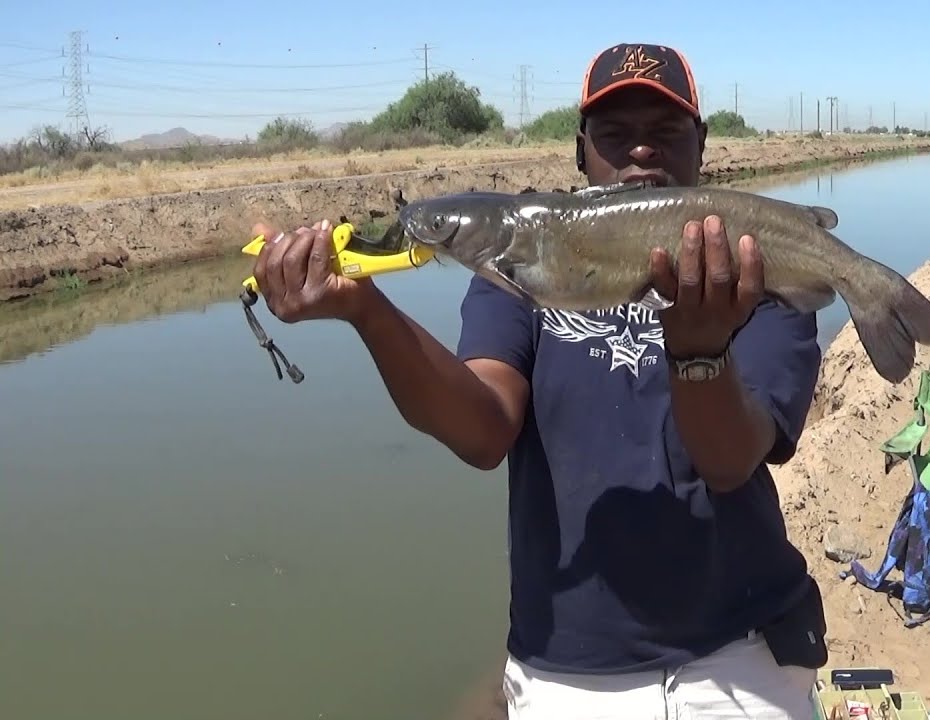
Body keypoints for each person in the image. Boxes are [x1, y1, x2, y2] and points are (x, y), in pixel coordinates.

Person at [249, 42, 828, 720]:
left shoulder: (754, 262)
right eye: (616, 133)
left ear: (700, 144)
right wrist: (366, 311)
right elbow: (483, 428)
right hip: (569, 670)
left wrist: (698, 353)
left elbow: (731, 463)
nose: (641, 151)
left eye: (665, 131)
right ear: (581, 150)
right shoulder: (524, 256)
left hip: (744, 657)